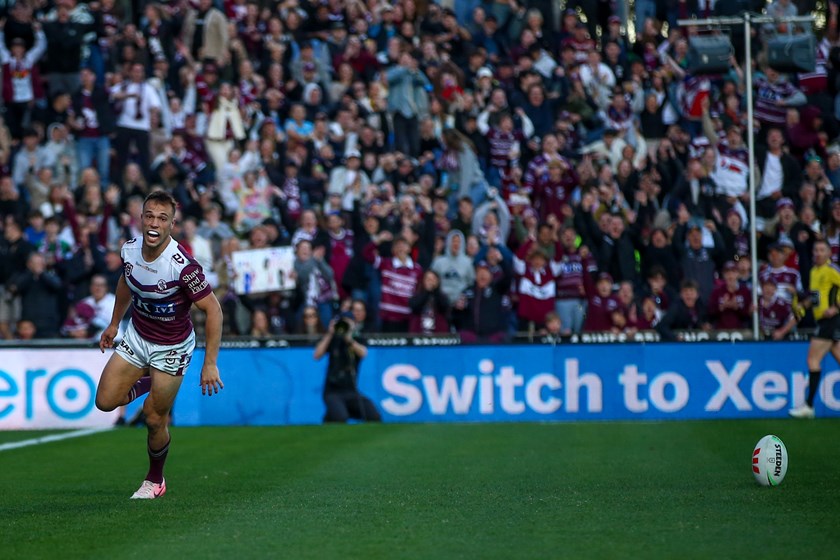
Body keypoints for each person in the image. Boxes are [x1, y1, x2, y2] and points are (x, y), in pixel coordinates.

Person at [94, 191, 224, 499]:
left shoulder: (183, 267)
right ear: (140, 219)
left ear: (172, 224)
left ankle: (155, 480)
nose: (154, 223)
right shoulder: (129, 250)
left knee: (154, 419)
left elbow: (214, 309)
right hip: (138, 337)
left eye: (162, 219)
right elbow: (126, 281)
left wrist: (210, 362)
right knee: (105, 401)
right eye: (149, 216)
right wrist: (114, 323)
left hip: (172, 348)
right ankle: (153, 381)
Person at [790, 239, 840, 418]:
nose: (818, 253)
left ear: (829, 253)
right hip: (824, 320)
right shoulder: (814, 271)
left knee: (812, 359)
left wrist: (836, 307)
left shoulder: (832, 270)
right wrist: (802, 306)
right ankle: (808, 406)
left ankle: (809, 406)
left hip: (831, 320)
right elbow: (816, 297)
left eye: (822, 250)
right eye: (816, 250)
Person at [313, 313, 381, 423]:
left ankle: (332, 415)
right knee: (340, 418)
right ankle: (333, 415)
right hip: (332, 391)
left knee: (374, 416)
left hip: (352, 391)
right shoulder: (333, 339)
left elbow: (363, 353)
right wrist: (330, 334)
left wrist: (349, 339)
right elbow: (316, 355)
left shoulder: (357, 339)